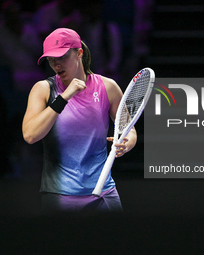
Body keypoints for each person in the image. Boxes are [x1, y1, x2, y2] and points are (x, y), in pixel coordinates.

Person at [22, 28, 137, 212]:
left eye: (62, 57)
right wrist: (63, 98)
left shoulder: (107, 87)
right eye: (51, 60)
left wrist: (127, 142)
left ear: (79, 53)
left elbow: (128, 129)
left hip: (104, 193)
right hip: (59, 196)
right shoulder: (43, 89)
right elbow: (30, 135)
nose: (56, 65)